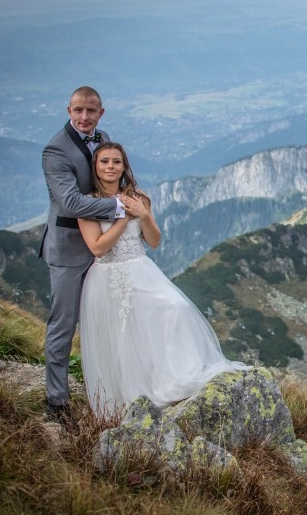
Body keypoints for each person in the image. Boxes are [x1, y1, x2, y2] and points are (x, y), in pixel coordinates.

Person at [77, 142, 250, 417]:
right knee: (123, 336)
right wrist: (122, 218)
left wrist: (143, 214)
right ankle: (129, 400)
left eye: (116, 162)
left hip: (141, 269)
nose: (110, 167)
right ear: (95, 166)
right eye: (104, 162)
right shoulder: (87, 204)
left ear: (124, 166)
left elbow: (154, 241)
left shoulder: (138, 197)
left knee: (174, 308)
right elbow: (97, 247)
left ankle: (173, 378)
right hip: (108, 276)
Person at [39, 86, 125, 424]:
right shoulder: (54, 151)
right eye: (78, 110)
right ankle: (57, 402)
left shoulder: (102, 138)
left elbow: (109, 177)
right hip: (68, 249)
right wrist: (120, 208)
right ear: (68, 110)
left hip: (102, 246)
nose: (84, 117)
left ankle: (106, 391)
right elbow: (71, 203)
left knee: (102, 319)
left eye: (91, 111)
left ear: (101, 112)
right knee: (64, 323)